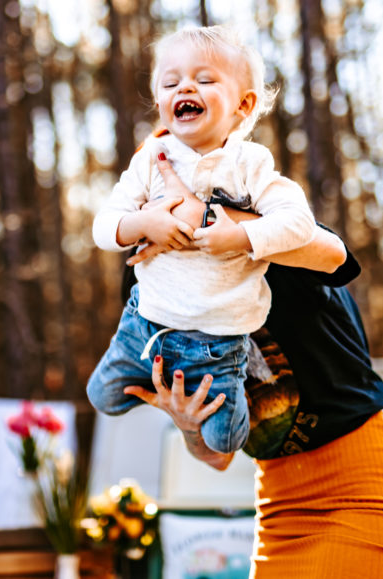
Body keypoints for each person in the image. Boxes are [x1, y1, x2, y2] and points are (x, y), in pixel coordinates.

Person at [122, 156, 383, 578]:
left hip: (358, 490)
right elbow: (217, 457)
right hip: (278, 507)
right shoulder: (148, 287)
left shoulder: (268, 227)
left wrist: (212, 221)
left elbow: (336, 258)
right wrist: (191, 426)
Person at [87, 25, 318, 454]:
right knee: (101, 397)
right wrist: (144, 225)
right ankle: (166, 384)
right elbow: (104, 226)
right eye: (171, 82)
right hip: (146, 322)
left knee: (225, 439)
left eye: (205, 80)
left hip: (217, 341)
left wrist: (239, 236)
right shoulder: (151, 160)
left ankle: (241, 388)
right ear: (159, 102)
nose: (185, 87)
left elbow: (299, 223)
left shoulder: (250, 164)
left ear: (243, 105)